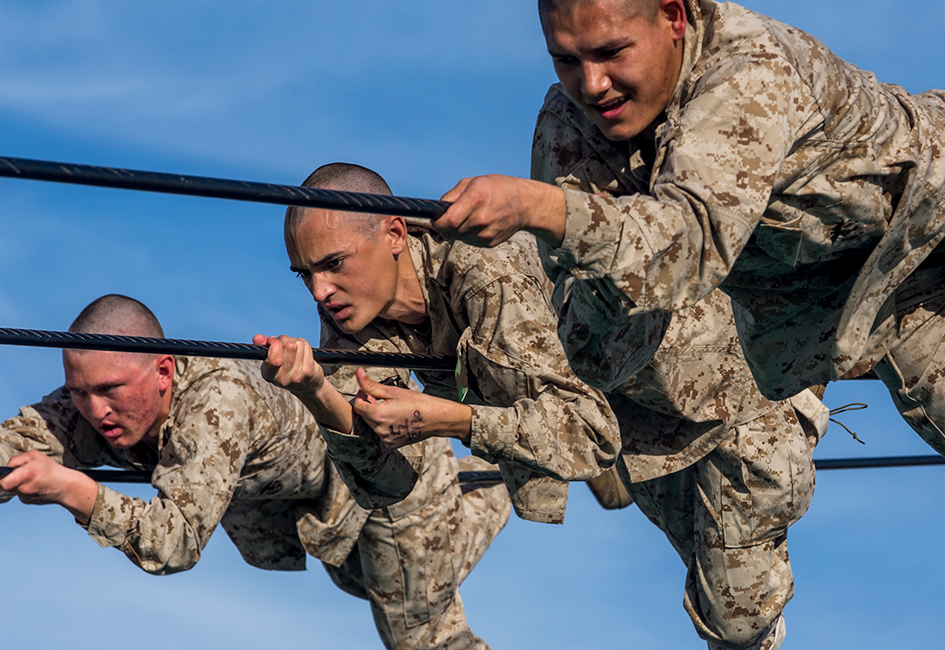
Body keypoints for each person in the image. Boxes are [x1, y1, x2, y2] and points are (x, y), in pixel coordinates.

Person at [431, 0, 945, 459]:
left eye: (612, 52)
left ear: (674, 17)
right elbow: (596, 352)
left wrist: (543, 208)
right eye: (566, 59)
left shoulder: (747, 73)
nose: (592, 84)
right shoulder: (575, 133)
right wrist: (605, 267)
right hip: (865, 285)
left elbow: (689, 242)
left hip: (929, 223)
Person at [0, 294, 510, 650]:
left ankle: (523, 452)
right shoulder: (96, 403)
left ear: (161, 371)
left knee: (420, 636)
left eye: (108, 390)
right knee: (368, 580)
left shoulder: (215, 402)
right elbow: (19, 439)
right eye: (78, 391)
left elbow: (174, 542)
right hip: (322, 507)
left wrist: (71, 489)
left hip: (383, 476)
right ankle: (519, 462)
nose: (93, 409)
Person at [254, 162, 621, 526]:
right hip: (569, 434)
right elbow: (387, 487)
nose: (319, 291)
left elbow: (591, 432)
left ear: (395, 234)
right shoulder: (350, 311)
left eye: (334, 263)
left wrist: (449, 420)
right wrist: (317, 393)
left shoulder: (485, 272)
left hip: (647, 401)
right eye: (305, 273)